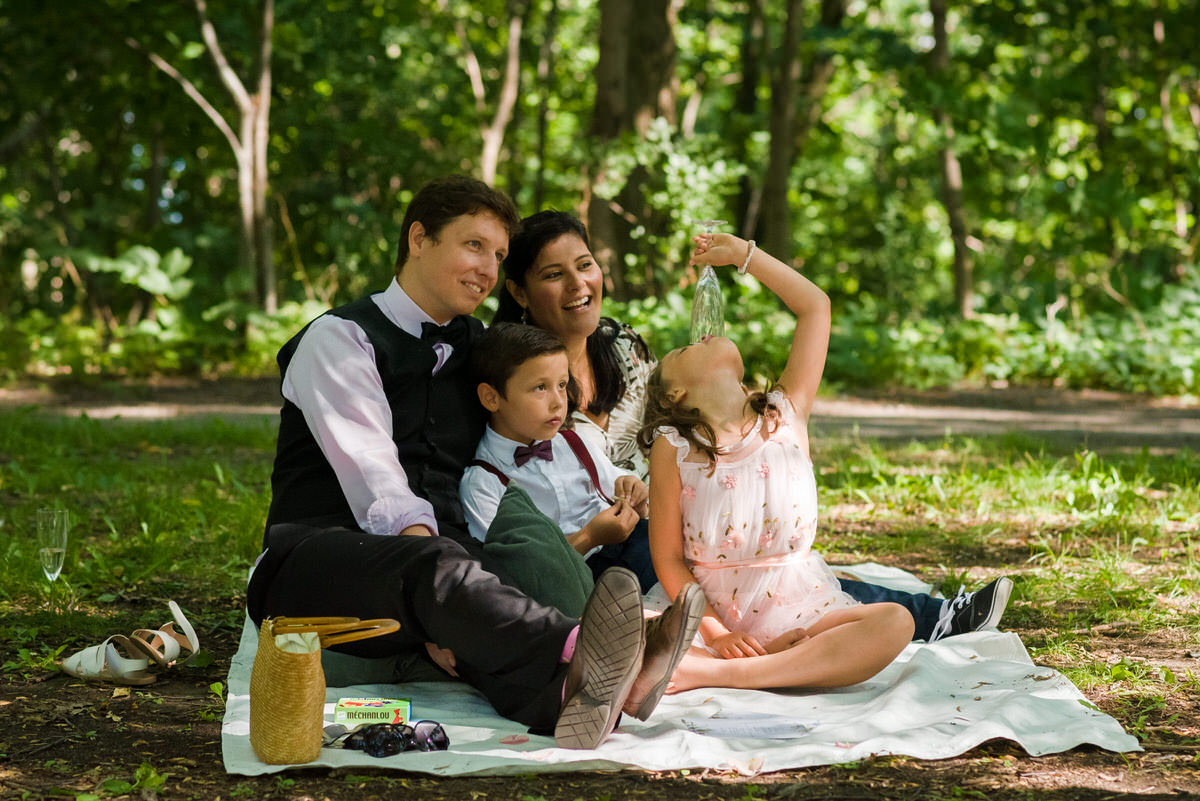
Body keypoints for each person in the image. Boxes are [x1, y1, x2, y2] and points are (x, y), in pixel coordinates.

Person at [245, 175, 699, 749]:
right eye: (473, 245)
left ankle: (581, 698)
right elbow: (376, 481)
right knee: (440, 563)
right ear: (418, 238)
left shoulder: (477, 345)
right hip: (315, 563)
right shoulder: (340, 339)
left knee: (501, 547)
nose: (488, 269)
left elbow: (532, 421)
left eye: (499, 255)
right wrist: (441, 604)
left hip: (435, 568)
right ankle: (583, 642)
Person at [496, 210, 1013, 642]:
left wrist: (744, 255)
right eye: (552, 275)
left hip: (676, 517)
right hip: (610, 546)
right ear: (519, 292)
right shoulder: (507, 373)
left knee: (766, 558)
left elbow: (682, 413)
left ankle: (915, 614)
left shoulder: (623, 348)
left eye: (584, 265)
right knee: (725, 565)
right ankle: (924, 617)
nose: (578, 284)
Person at [634, 233, 985, 694]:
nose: (702, 336)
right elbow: (668, 559)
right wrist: (719, 634)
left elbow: (815, 307)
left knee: (894, 622)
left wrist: (745, 256)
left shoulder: (786, 413)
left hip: (801, 607)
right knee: (630, 628)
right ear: (675, 394)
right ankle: (763, 664)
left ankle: (729, 676)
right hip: (712, 614)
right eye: (682, 351)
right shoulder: (674, 445)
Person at [460, 322, 657, 592]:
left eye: (562, 385)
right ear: (491, 398)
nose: (558, 402)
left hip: (631, 550)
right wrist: (590, 536)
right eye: (540, 388)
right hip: (574, 585)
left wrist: (635, 496)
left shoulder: (573, 442)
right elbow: (518, 574)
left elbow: (624, 496)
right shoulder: (484, 482)